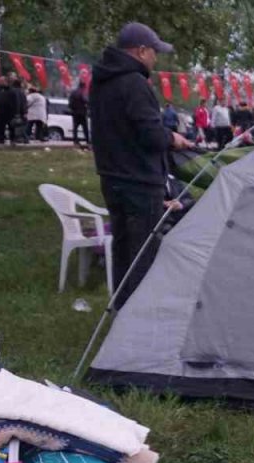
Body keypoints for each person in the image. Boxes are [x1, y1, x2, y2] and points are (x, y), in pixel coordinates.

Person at [89, 22, 192, 308]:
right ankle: (139, 322)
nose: (155, 59)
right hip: (139, 183)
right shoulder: (134, 83)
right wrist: (173, 138)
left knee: (122, 250)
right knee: (142, 254)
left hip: (111, 177)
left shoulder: (101, 81)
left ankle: (121, 309)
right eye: (154, 52)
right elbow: (151, 135)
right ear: (141, 50)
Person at [69, 81, 90, 146]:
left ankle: (75, 140)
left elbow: (70, 104)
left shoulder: (72, 93)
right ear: (83, 87)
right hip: (82, 113)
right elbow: (85, 100)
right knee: (85, 128)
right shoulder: (82, 92)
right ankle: (87, 140)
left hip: (74, 113)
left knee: (75, 128)